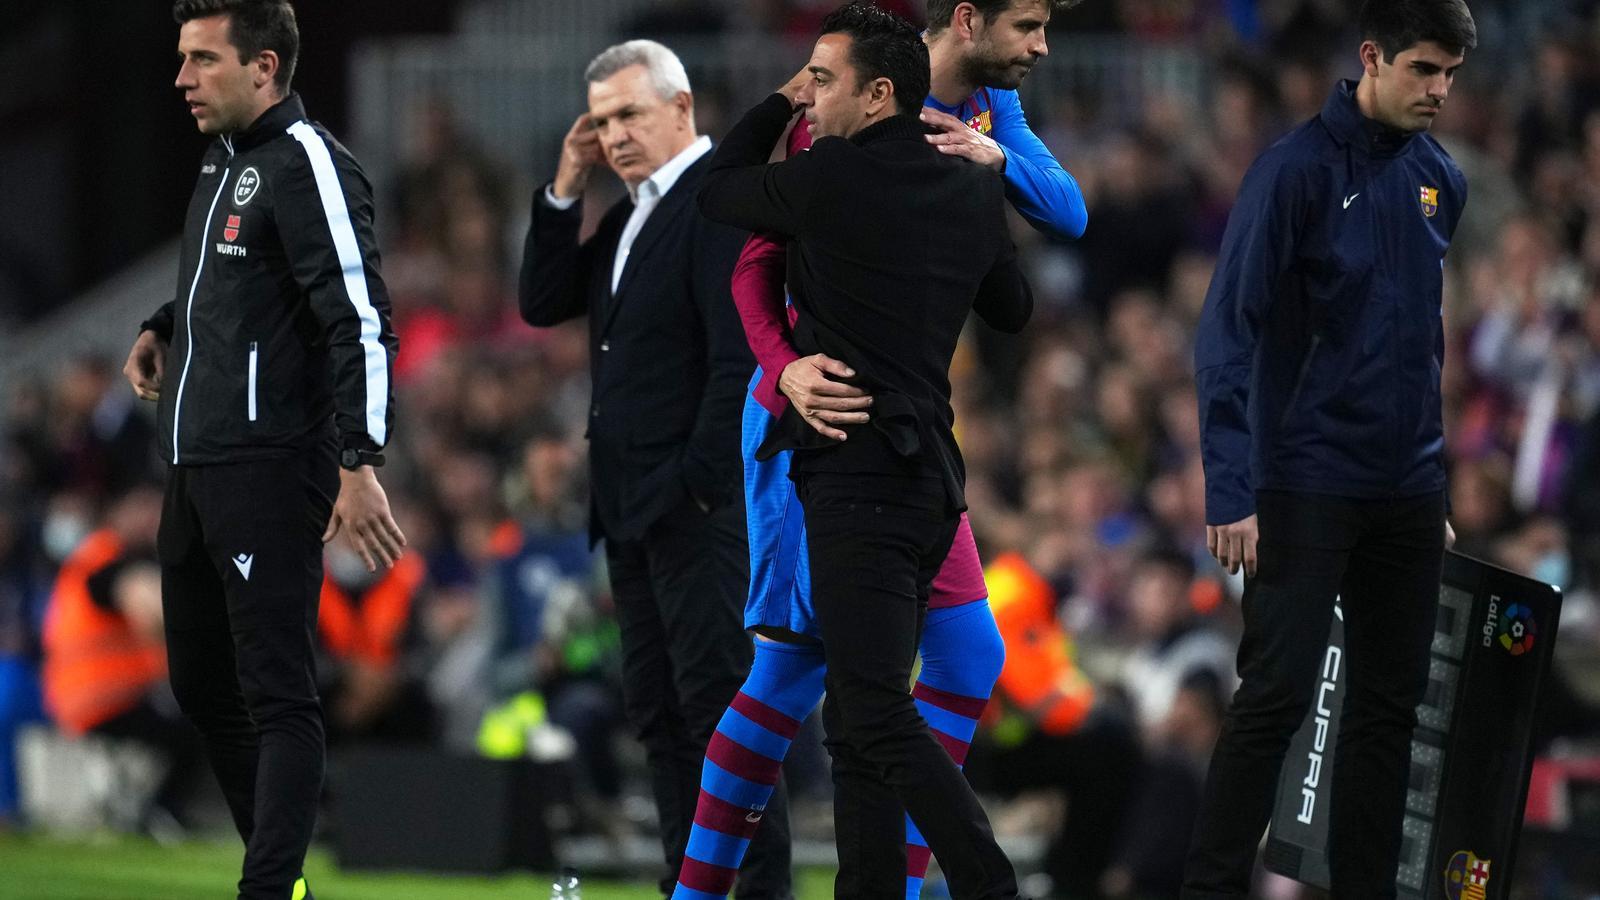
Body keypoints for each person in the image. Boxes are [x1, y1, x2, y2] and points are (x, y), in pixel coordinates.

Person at [671, 1, 1088, 897]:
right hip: (813, 419)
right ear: (968, 20)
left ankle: (905, 881)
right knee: (798, 671)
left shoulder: (982, 124)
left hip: (891, 451)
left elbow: (1073, 212)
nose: (1041, 46)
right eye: (1027, 25)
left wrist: (998, 164)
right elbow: (753, 266)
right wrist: (784, 368)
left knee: (952, 665)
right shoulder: (836, 124)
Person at [1186, 1, 1475, 896]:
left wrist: (1437, 490)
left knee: (1389, 713)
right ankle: (1211, 888)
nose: (1439, 91)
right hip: (1304, 482)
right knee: (1274, 698)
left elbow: (1418, 344)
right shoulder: (1294, 173)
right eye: (1425, 70)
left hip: (1407, 492)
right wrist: (1232, 487)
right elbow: (1226, 331)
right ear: (1372, 59)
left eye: (1451, 76)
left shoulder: (1441, 180)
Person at [122, 2, 405, 897]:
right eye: (181, 58)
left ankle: (270, 886)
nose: (181, 79)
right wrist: (165, 323)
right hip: (196, 462)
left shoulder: (309, 161)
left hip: (273, 465)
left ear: (265, 66)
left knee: (280, 695)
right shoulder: (224, 158)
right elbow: (237, 280)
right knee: (201, 686)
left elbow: (358, 321)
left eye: (202, 59)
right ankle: (278, 878)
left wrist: (361, 463)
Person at [515, 40, 783, 899]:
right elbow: (541, 298)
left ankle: (761, 892)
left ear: (682, 107)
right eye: (601, 122)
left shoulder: (715, 202)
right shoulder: (631, 214)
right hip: (631, 512)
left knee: (723, 717)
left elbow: (735, 365)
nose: (616, 135)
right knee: (663, 720)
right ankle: (689, 885)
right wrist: (566, 183)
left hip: (694, 512)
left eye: (630, 114)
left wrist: (697, 487)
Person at [40, 484, 203, 836]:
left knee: (192, 721)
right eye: (142, 509)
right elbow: (145, 604)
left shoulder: (98, 558)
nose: (149, 520)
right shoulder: (106, 560)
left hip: (99, 694)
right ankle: (161, 812)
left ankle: (157, 811)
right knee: (200, 726)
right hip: (102, 697)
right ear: (118, 511)